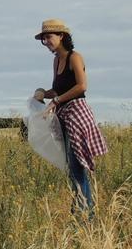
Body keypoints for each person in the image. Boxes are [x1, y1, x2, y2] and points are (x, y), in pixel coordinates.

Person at [33, 19, 108, 217]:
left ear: (62, 36)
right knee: (71, 168)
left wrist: (55, 101)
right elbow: (58, 89)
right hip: (63, 115)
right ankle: (79, 212)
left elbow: (82, 86)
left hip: (77, 114)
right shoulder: (56, 60)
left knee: (77, 167)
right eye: (43, 39)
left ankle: (86, 217)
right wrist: (43, 93)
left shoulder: (75, 57)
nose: (46, 42)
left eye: (48, 37)